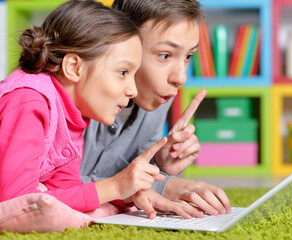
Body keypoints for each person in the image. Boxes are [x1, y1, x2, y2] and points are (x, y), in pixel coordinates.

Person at [0, 0, 202, 220]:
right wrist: (115, 187)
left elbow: (68, 189)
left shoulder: (73, 114)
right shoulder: (29, 101)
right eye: (123, 72)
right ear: (74, 68)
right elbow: (14, 202)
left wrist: (126, 193)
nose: (132, 90)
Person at [81, 0, 232, 216]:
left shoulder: (157, 97)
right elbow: (50, 184)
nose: (180, 77)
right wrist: (161, 185)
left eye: (188, 56)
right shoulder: (81, 95)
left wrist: (161, 166)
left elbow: (133, 175)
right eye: (165, 55)